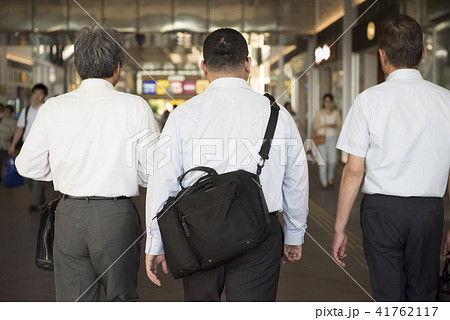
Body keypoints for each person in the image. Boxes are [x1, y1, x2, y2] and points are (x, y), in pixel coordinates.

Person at [145, 28, 309, 302]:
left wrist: (157, 241)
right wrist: (294, 234)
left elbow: (163, 180)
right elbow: (296, 178)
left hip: (197, 232)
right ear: (248, 65)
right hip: (260, 233)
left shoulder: (182, 115)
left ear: (203, 68)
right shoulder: (276, 114)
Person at [16, 25, 159, 301]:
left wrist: (63, 169)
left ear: (78, 66)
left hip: (68, 216)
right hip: (116, 218)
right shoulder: (135, 106)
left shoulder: (53, 107)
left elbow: (27, 166)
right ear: (117, 67)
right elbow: (154, 168)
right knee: (121, 299)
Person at [331, 14, 450, 301]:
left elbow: (353, 172)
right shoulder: (445, 100)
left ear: (382, 56)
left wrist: (339, 228)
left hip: (381, 212)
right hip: (429, 213)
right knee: (423, 294)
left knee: (387, 296)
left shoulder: (368, 101)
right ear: (423, 52)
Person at [9, 83, 48, 212]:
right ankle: (39, 195)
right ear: (32, 95)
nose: (37, 96)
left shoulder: (47, 109)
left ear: (44, 96)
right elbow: (19, 129)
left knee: (37, 175)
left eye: (40, 93)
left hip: (43, 146)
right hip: (27, 145)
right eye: (35, 93)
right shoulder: (26, 111)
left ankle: (34, 203)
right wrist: (13, 145)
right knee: (24, 172)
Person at [313, 93, 341, 189]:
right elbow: (315, 126)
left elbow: (339, 125)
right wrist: (325, 125)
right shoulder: (320, 113)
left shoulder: (336, 113)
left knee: (333, 161)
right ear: (323, 102)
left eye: (329, 101)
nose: (327, 103)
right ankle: (324, 182)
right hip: (322, 139)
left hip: (332, 138)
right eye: (326, 101)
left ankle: (330, 177)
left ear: (332, 102)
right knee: (322, 162)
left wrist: (334, 126)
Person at [0, 105, 17, 181]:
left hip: (7, 145)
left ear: (11, 113)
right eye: (5, 111)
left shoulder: (13, 121)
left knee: (8, 162)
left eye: (8, 112)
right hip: (0, 144)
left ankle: (9, 176)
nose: (5, 113)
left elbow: (13, 131)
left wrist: (9, 136)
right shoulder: (1, 119)